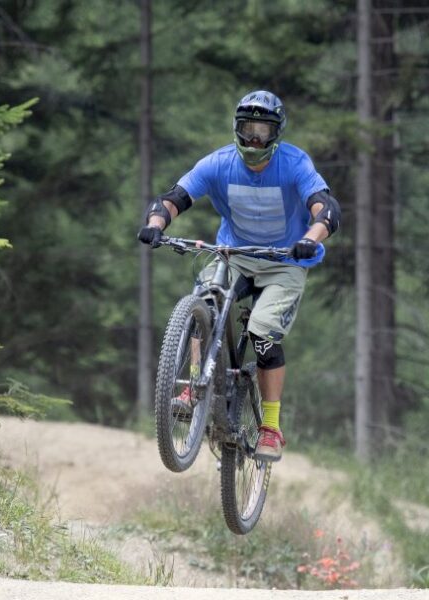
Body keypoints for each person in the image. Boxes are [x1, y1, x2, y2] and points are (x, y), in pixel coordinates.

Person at [137, 90, 340, 462]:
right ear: (237, 129)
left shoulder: (295, 164)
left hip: (285, 261)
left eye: (262, 131)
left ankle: (271, 427)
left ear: (275, 134)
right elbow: (174, 197)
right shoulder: (219, 163)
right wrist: (155, 223)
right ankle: (194, 386)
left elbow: (325, 207)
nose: (254, 140)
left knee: (263, 333)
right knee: (205, 299)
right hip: (234, 254)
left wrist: (311, 239)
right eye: (248, 130)